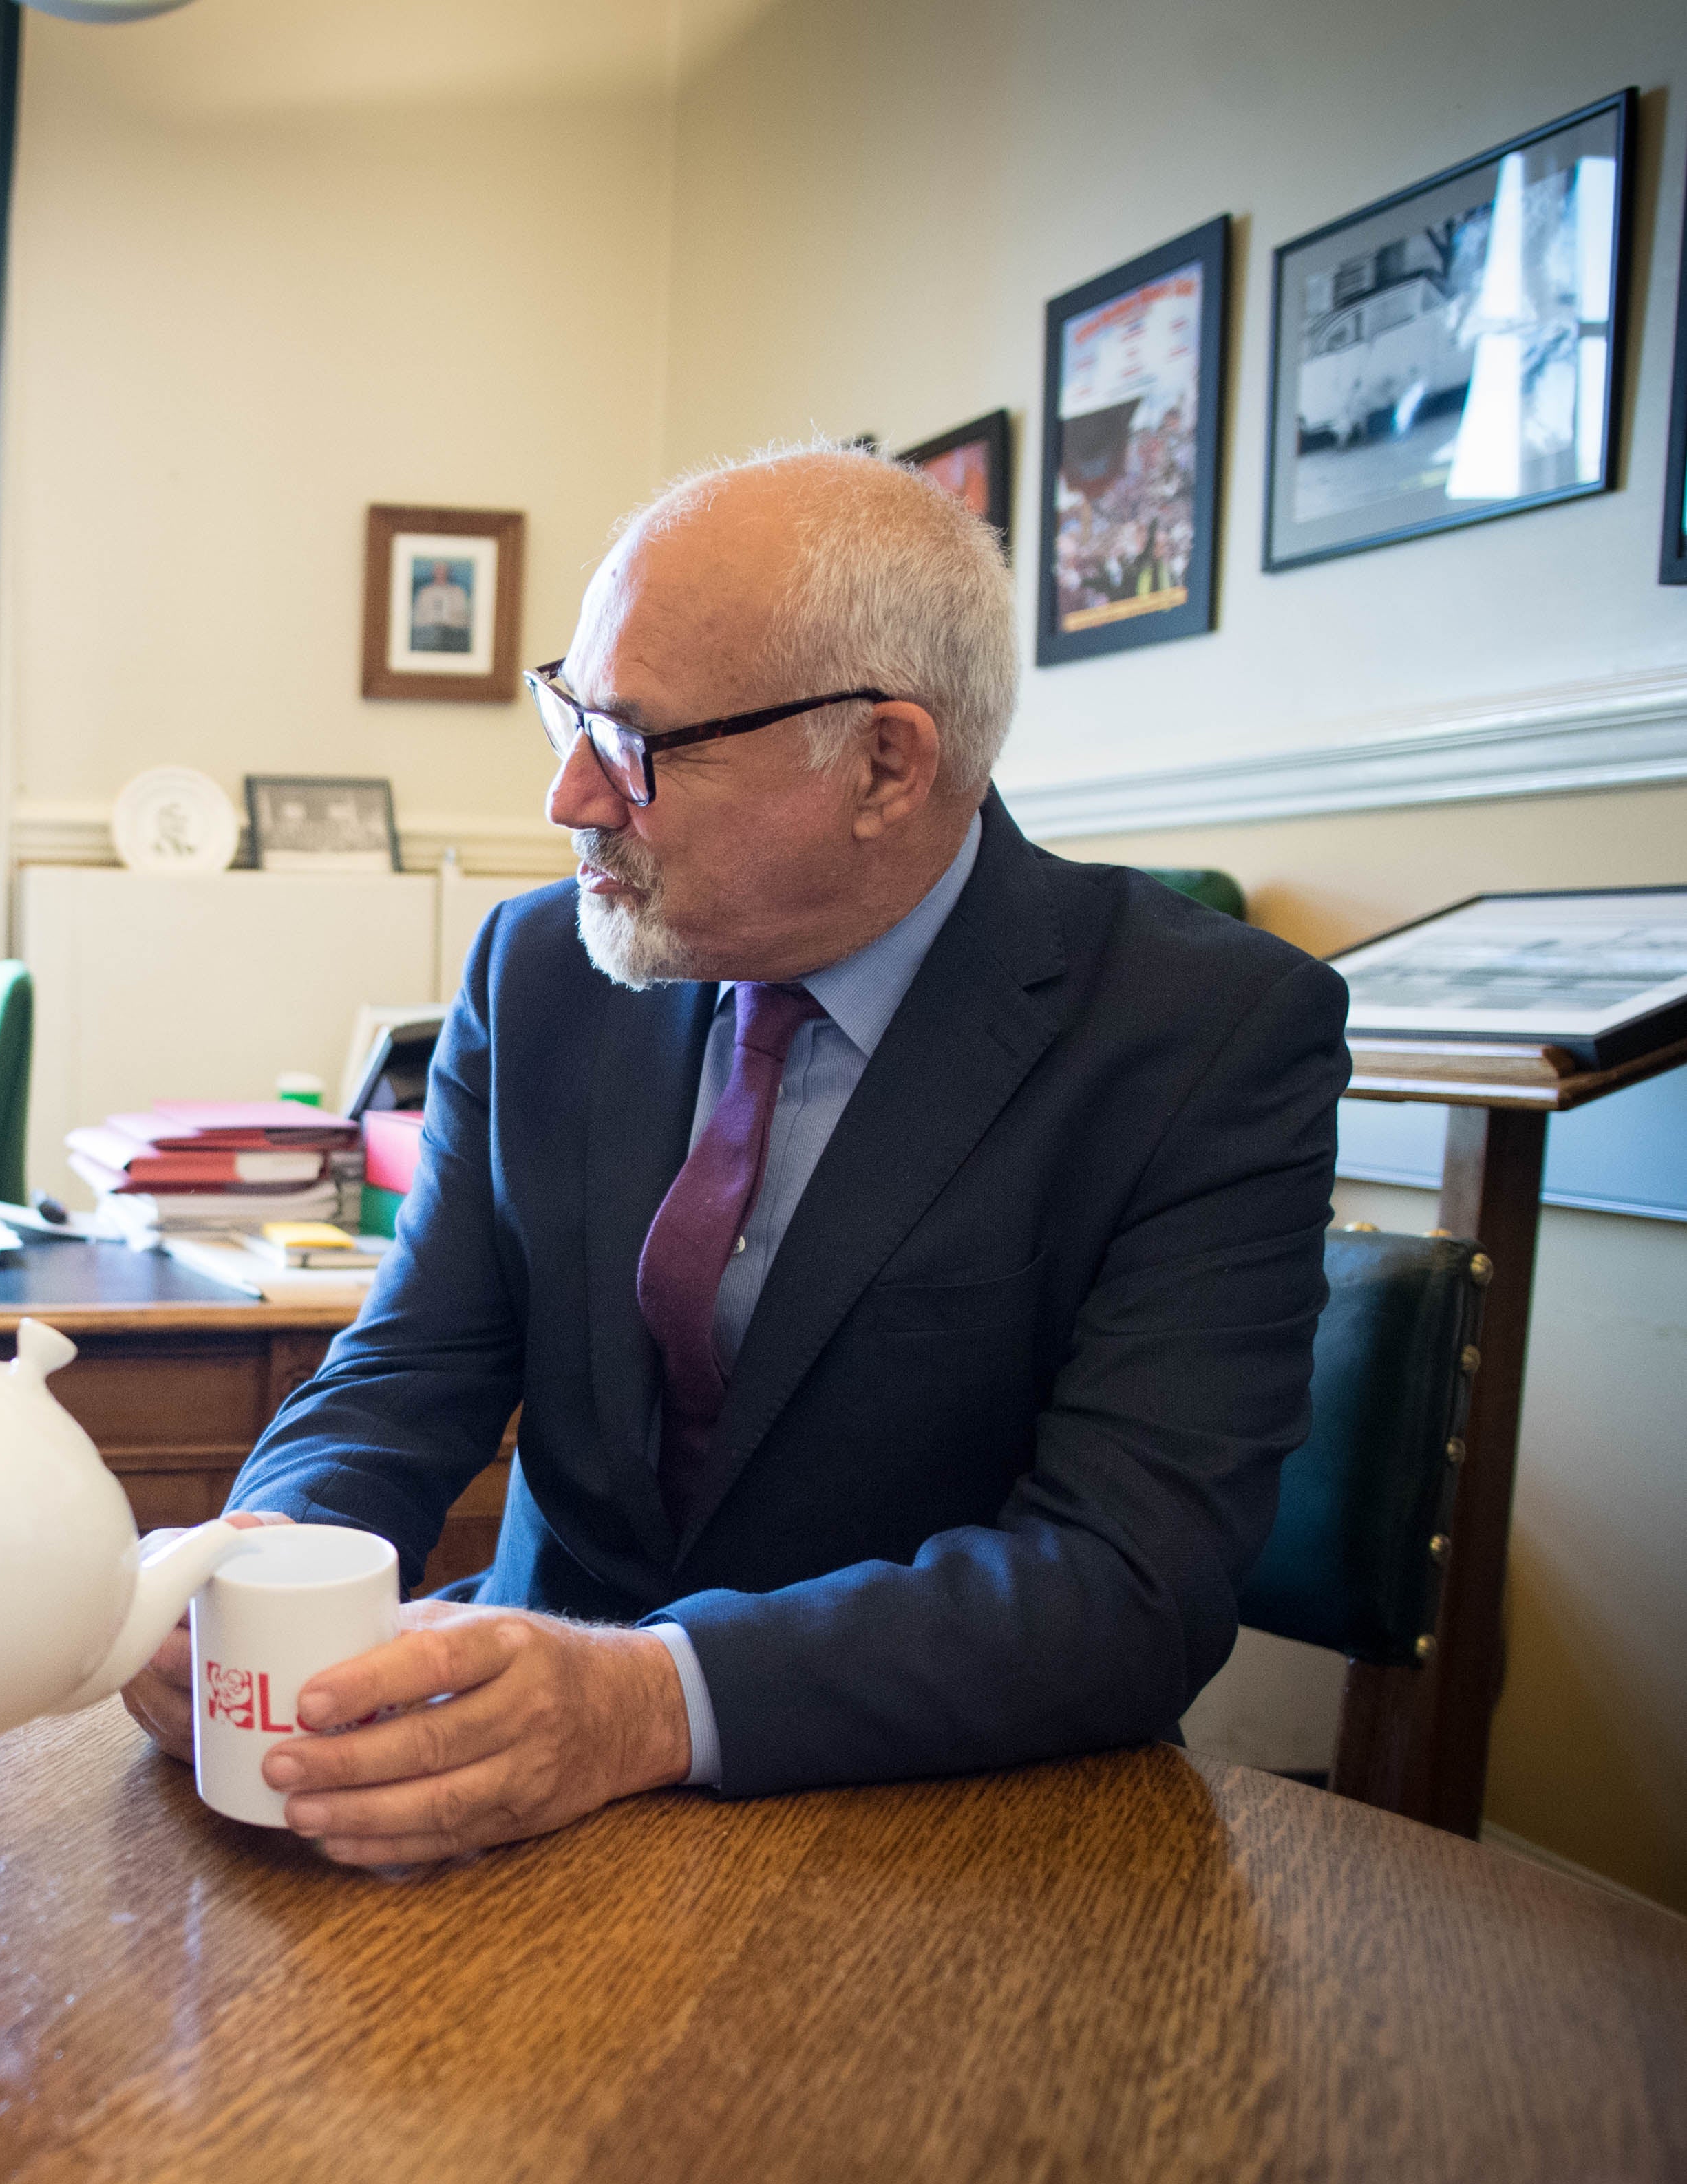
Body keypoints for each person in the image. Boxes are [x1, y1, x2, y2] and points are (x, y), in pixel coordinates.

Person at [123, 442, 1350, 1865]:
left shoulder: (1201, 1032)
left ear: (883, 764)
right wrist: (252, 1575)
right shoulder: (537, 969)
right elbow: (410, 1369)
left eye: (632, 744)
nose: (568, 798)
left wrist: (649, 1700)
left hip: (951, 1833)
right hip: (512, 1797)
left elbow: (1126, 1584)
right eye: (565, 713)